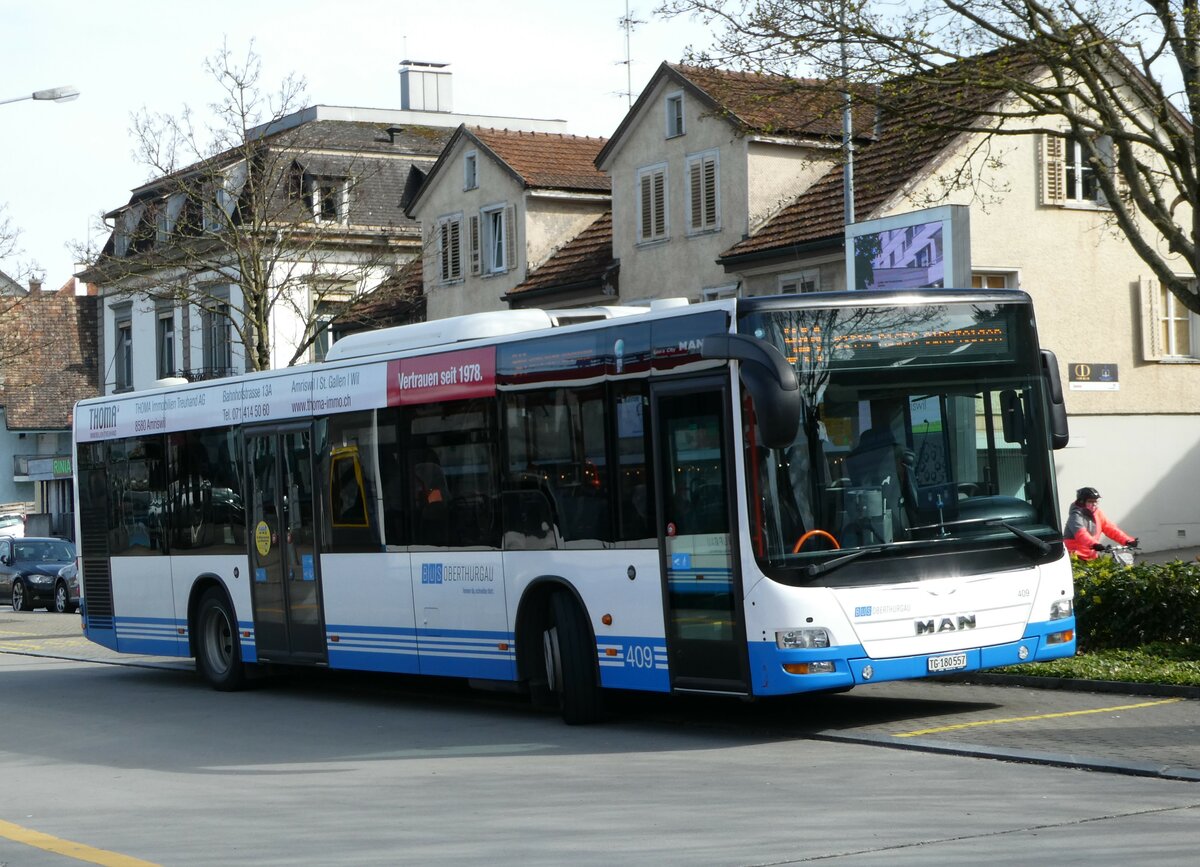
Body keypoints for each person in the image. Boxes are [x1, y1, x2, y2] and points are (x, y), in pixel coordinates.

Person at [1063, 486, 1137, 560]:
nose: (1094, 504)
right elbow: (1081, 534)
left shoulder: (1097, 513)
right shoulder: (1075, 516)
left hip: (1091, 556)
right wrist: (1094, 544)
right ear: (1081, 502)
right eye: (1090, 501)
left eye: (1096, 501)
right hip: (1075, 556)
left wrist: (1127, 540)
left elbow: (1110, 528)